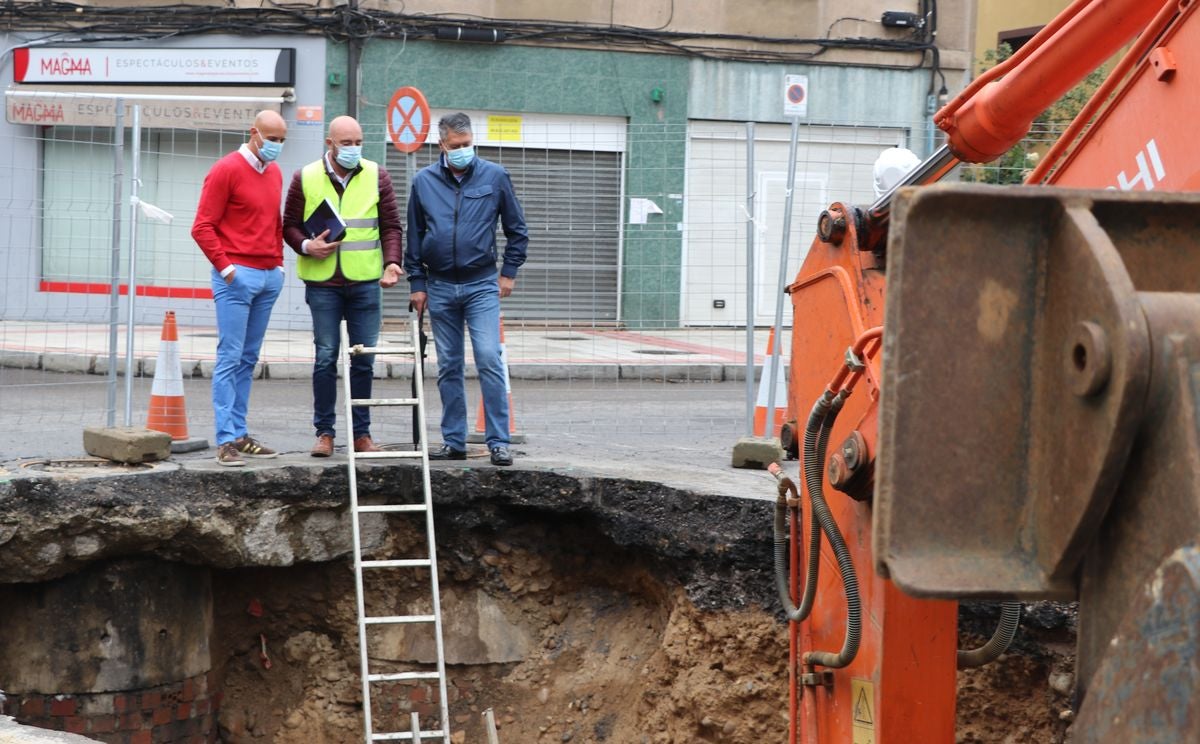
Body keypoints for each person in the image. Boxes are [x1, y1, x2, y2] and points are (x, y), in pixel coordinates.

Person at [404, 112, 528, 467]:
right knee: (449, 365)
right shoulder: (423, 182)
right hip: (440, 285)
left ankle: (498, 441)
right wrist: (417, 282)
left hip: (481, 284)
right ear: (441, 144)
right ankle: (454, 441)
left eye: (468, 144)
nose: (463, 151)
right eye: (456, 146)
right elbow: (415, 236)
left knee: (489, 357)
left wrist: (509, 272)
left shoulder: (495, 176)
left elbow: (517, 228)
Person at [283, 115, 404, 457]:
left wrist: (392, 262)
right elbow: (288, 225)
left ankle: (361, 435)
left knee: (363, 360)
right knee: (325, 358)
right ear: (330, 144)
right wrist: (308, 246)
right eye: (346, 143)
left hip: (365, 281)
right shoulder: (304, 177)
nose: (353, 149)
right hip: (323, 283)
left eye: (357, 142)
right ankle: (324, 433)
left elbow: (391, 226)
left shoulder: (377, 174)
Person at [192, 110, 288, 467]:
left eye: (282, 140)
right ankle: (225, 441)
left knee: (248, 359)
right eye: (272, 138)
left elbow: (274, 222)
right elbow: (202, 226)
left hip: (267, 276)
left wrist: (278, 264)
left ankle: (240, 434)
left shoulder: (274, 172)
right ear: (254, 133)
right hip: (237, 276)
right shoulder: (226, 169)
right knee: (230, 356)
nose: (277, 145)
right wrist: (229, 270)